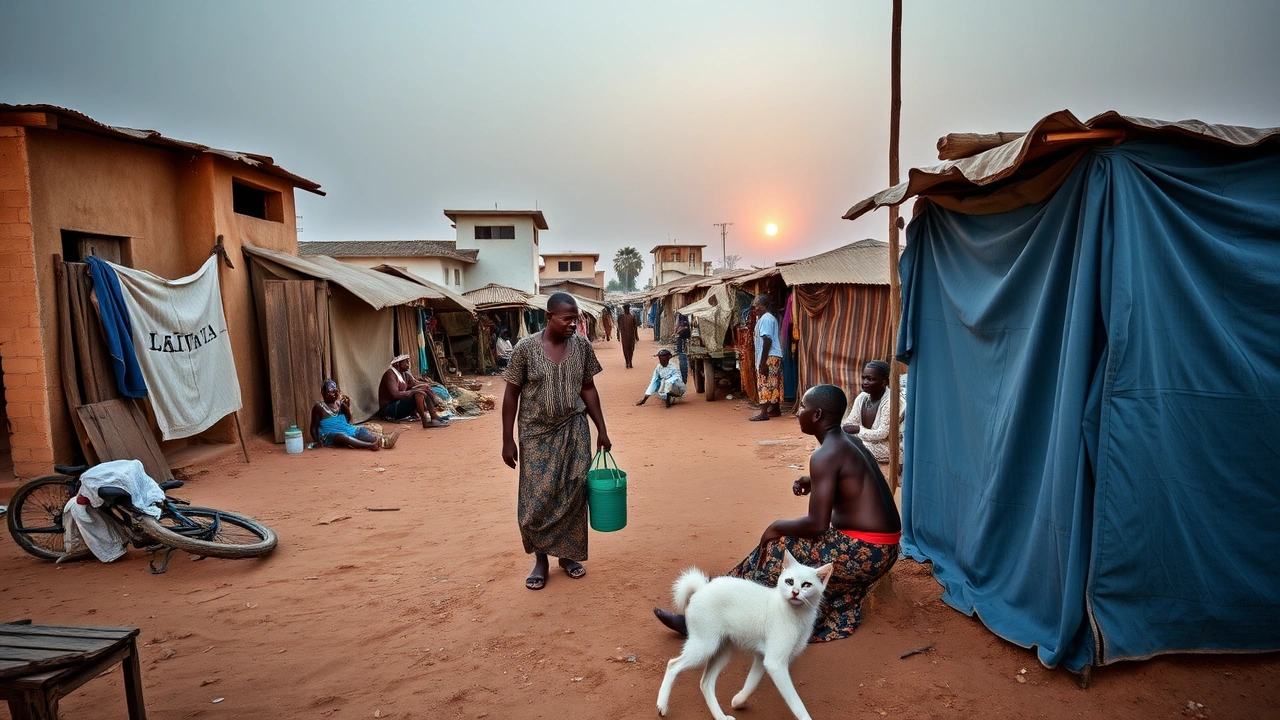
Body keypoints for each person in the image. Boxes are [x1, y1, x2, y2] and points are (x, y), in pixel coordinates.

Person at [654, 384, 900, 642]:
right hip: (884, 550)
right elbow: (853, 483)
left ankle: (718, 614)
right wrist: (813, 480)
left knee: (778, 550)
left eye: (803, 407)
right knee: (778, 548)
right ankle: (712, 600)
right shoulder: (849, 442)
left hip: (865, 552)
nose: (797, 413)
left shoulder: (825, 455)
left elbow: (817, 526)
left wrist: (776, 526)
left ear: (817, 415)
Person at [501, 292, 611, 591]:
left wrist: (601, 428)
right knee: (537, 497)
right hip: (535, 432)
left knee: (574, 490)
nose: (573, 324)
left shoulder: (583, 347)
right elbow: (511, 395)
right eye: (567, 318)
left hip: (574, 427)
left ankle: (567, 555)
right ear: (549, 317)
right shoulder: (525, 349)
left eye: (576, 318)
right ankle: (540, 560)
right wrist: (507, 439)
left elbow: (588, 389)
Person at [309, 379, 402, 450]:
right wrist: (318, 441)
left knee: (362, 432)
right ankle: (369, 446)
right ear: (323, 393)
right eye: (330, 392)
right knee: (342, 437)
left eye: (335, 391)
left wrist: (346, 407)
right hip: (329, 435)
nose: (334, 394)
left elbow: (348, 420)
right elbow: (313, 428)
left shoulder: (340, 404)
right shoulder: (319, 407)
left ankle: (383, 440)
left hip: (348, 429)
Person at [841, 360, 898, 464]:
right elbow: (851, 421)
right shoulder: (862, 397)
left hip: (886, 447)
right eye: (864, 378)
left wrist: (858, 430)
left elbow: (882, 434)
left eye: (870, 379)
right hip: (865, 441)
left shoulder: (891, 401)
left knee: (854, 446)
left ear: (884, 382)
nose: (865, 383)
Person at [379, 354, 450, 428]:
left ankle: (434, 417)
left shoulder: (404, 374)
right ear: (397, 364)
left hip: (397, 404)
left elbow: (414, 383)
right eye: (405, 362)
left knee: (422, 389)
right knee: (418, 393)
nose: (408, 364)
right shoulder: (390, 374)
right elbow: (395, 394)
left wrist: (427, 385)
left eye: (408, 361)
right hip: (390, 409)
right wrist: (414, 391)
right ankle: (425, 422)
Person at [748, 295, 784, 421]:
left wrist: (762, 363)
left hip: (769, 356)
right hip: (773, 355)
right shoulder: (767, 318)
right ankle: (775, 409)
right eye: (755, 305)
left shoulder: (766, 319)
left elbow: (767, 339)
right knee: (773, 382)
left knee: (764, 382)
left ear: (765, 306)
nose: (756, 308)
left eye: (759, 305)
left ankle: (764, 412)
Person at [618, 302, 639, 369]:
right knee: (627, 349)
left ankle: (629, 362)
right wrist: (618, 335)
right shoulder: (621, 317)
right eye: (625, 309)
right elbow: (618, 328)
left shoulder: (632, 317)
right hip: (625, 337)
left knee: (630, 349)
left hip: (630, 336)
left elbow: (635, 328)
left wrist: (636, 336)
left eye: (627, 309)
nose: (626, 310)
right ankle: (628, 362)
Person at [673, 313, 691, 383]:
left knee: (682, 357)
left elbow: (679, 326)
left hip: (683, 338)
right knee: (682, 357)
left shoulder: (681, 314)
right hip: (684, 338)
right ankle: (684, 379)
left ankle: (684, 380)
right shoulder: (682, 314)